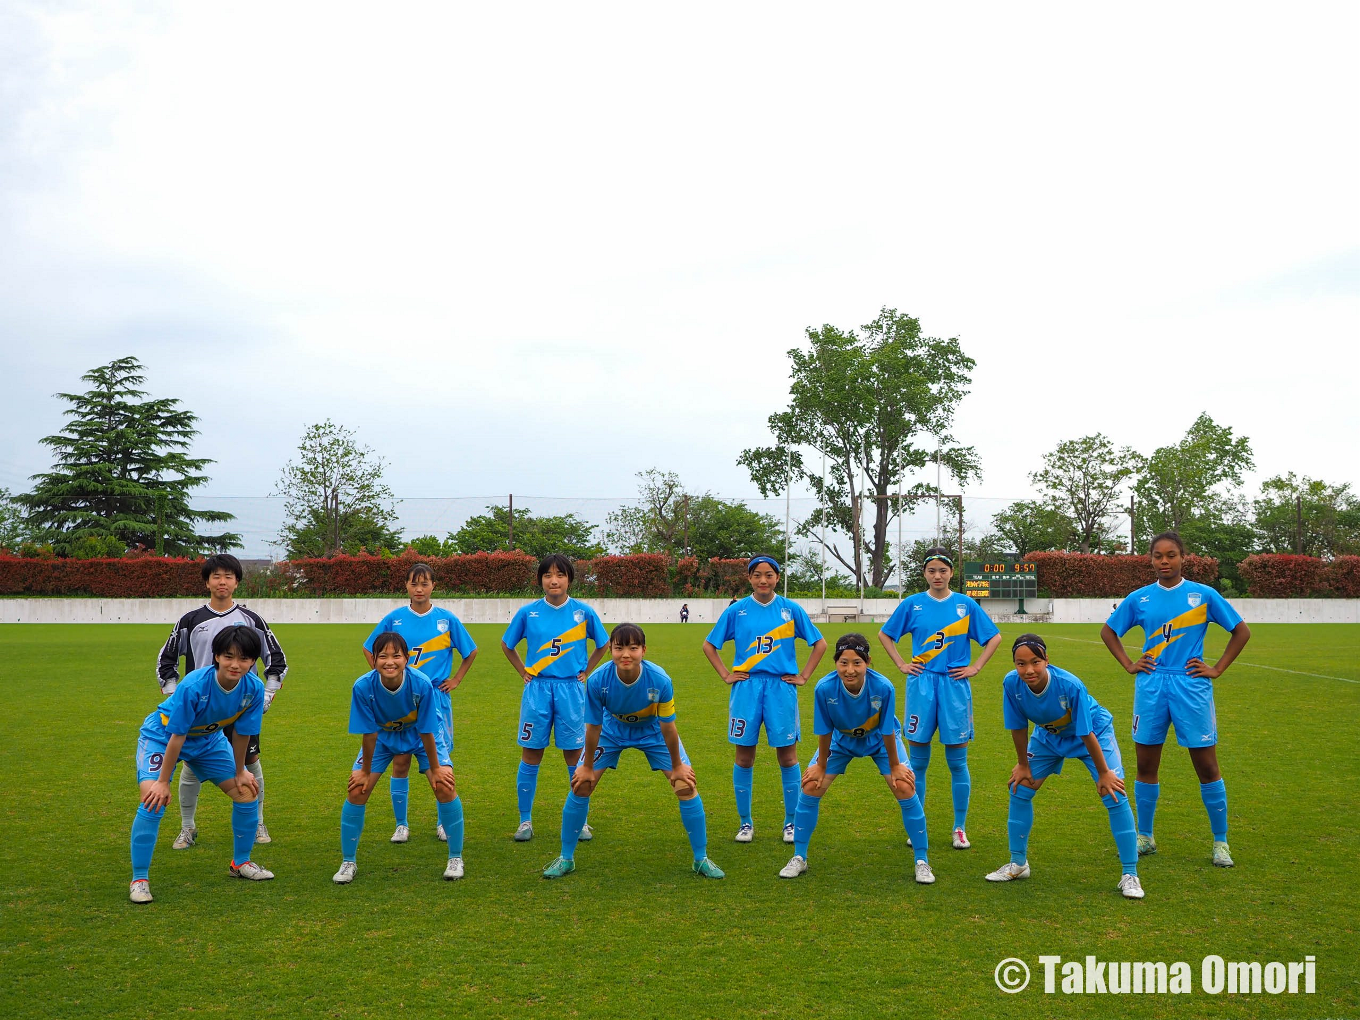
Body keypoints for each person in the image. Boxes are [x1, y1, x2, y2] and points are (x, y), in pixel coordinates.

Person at [1100, 531, 1251, 867]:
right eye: (1158, 556)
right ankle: (1146, 837)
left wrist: (1217, 668)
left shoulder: (1203, 595)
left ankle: (1220, 842)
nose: (1164, 561)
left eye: (1171, 555)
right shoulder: (1140, 599)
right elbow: (1109, 631)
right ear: (1150, 559)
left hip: (1190, 686)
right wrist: (1129, 663)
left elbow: (1241, 630)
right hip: (1151, 685)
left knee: (1207, 766)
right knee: (1146, 764)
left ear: (1184, 557)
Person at [542, 624, 725, 879]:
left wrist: (676, 766)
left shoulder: (660, 680)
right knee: (581, 785)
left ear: (643, 650)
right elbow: (593, 727)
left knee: (685, 784)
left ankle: (701, 859)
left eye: (633, 648)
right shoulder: (597, 681)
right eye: (619, 648)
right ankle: (566, 858)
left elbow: (668, 728)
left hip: (652, 732)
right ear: (610, 651)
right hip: (611, 730)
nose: (625, 654)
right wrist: (585, 766)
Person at [986, 634, 1145, 899]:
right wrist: (1023, 764)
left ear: (1047, 660)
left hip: (1093, 733)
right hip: (1049, 736)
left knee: (1114, 792)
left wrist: (1105, 773)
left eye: (1035, 662)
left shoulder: (1070, 685)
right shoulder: (1011, 684)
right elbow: (1017, 727)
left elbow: (1086, 733)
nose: (1028, 670)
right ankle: (1018, 864)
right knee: (1020, 786)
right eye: (1020, 663)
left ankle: (1130, 874)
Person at [130, 627, 273, 903]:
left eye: (244, 658)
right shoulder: (194, 685)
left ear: (253, 661)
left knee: (247, 792)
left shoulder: (254, 689)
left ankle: (241, 863)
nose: (235, 664)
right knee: (152, 800)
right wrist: (162, 782)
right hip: (163, 736)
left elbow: (243, 732)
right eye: (228, 656)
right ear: (216, 656)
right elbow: (177, 735)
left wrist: (241, 770)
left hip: (207, 739)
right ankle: (139, 879)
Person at [156, 553, 288, 849]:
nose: (222, 581)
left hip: (239, 707)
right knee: (191, 765)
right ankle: (187, 827)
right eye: (216, 576)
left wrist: (266, 694)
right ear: (207, 581)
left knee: (250, 761)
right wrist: (175, 695)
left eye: (229, 576)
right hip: (199, 710)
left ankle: (256, 821)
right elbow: (166, 661)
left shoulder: (251, 620)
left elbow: (276, 660)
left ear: (237, 582)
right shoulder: (190, 621)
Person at [779, 634, 934, 884]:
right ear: (836, 663)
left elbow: (886, 730)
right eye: (843, 662)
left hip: (879, 741)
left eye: (857, 663)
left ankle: (922, 860)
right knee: (810, 786)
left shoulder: (883, 687)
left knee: (904, 786)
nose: (850, 670)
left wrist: (895, 766)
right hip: (841, 741)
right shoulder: (824, 688)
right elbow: (824, 730)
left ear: (868, 662)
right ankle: (799, 857)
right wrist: (820, 767)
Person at [877, 547, 1002, 850]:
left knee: (957, 762)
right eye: (931, 570)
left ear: (951, 573)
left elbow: (994, 637)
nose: (937, 576)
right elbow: (885, 635)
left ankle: (959, 827)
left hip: (954, 686)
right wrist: (902, 664)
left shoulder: (965, 605)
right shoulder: (913, 604)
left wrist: (975, 667)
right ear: (924, 573)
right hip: (921, 685)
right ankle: (916, 825)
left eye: (942, 571)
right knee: (917, 762)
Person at [702, 555, 828, 844]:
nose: (763, 580)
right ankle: (745, 823)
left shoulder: (790, 609)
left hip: (780, 689)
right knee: (744, 755)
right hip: (746, 688)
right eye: (757, 575)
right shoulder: (738, 611)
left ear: (777, 577)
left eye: (769, 575)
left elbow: (819, 643)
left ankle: (791, 822)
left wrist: (804, 676)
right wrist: (725, 674)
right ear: (749, 578)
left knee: (787, 755)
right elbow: (709, 645)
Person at [333, 632, 464, 884]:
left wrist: (435, 768)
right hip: (382, 738)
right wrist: (365, 771)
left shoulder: (422, 684)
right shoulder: (362, 687)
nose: (389, 661)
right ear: (373, 660)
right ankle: (348, 861)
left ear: (407, 659)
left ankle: (455, 857)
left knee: (445, 786)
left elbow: (426, 729)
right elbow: (369, 733)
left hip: (420, 735)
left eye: (396, 655)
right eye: (382, 656)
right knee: (357, 790)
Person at [364, 562, 477, 844]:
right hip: (401, 698)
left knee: (439, 762)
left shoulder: (446, 619)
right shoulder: (394, 618)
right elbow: (369, 648)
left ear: (433, 586)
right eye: (414, 583)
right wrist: (382, 676)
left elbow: (470, 651)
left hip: (436, 698)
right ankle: (401, 824)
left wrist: (456, 680)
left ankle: (442, 822)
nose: (419, 589)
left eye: (425, 583)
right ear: (406, 586)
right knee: (400, 761)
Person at [501, 554, 610, 842]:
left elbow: (604, 643)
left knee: (575, 755)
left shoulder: (583, 612)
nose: (553, 580)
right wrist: (523, 671)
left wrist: (587, 670)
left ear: (569, 579)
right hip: (537, 690)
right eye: (547, 575)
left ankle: (581, 820)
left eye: (560, 575)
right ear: (540, 580)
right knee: (531, 754)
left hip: (571, 691)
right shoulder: (528, 612)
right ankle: (525, 821)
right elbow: (507, 644)